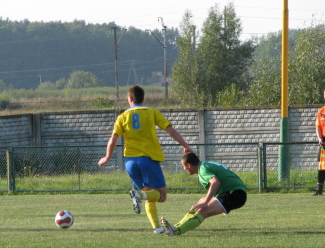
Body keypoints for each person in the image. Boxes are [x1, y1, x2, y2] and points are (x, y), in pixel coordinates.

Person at [98, 85, 192, 234]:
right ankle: (139, 195)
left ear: (130, 99)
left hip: (130, 162)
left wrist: (107, 157)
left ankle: (157, 227)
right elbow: (171, 130)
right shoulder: (152, 112)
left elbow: (113, 139)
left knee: (149, 193)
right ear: (143, 98)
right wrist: (185, 146)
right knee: (161, 196)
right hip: (148, 159)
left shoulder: (122, 117)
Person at [160, 152, 247, 236]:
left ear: (189, 165)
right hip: (232, 192)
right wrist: (203, 201)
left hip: (235, 194)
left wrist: (205, 203)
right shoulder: (204, 165)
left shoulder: (203, 170)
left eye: (183, 166)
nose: (184, 169)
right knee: (200, 202)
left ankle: (176, 231)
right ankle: (175, 227)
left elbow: (215, 183)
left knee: (203, 210)